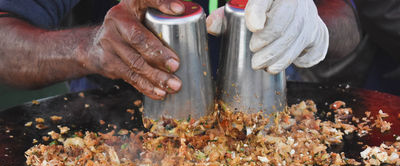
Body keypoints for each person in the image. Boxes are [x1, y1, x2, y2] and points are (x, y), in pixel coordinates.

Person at [0, 0, 355, 98]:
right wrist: (89, 48)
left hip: (266, 119)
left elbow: (351, 21)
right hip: (120, 134)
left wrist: (312, 26)